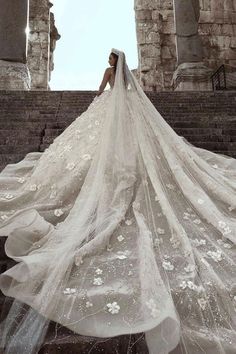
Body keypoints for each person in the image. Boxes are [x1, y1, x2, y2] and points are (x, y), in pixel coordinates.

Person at [0, 48, 235, 354]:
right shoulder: (128, 79)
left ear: (113, 62)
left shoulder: (110, 74)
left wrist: (96, 99)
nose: (110, 62)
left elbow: (101, 92)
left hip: (109, 109)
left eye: (111, 59)